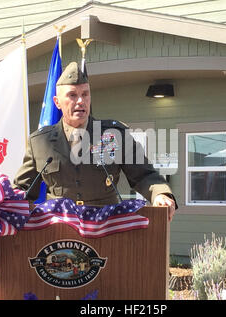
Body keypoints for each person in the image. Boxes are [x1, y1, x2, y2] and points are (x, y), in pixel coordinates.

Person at [13, 62, 177, 221]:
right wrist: (5, 203)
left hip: (106, 226)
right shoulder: (40, 142)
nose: (80, 101)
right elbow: (23, 189)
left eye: (85, 94)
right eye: (72, 95)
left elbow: (144, 175)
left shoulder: (114, 134)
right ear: (57, 102)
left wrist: (160, 194)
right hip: (58, 230)